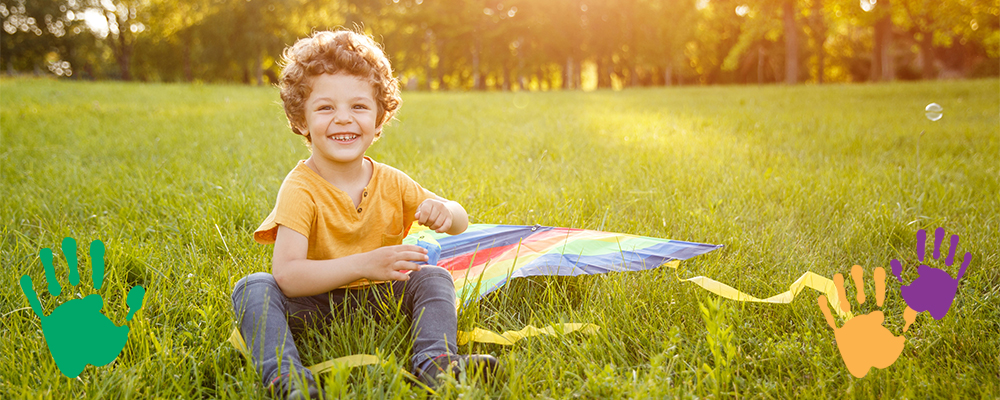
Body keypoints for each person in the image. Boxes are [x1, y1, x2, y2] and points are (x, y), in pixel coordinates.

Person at [231, 29, 499, 399]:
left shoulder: (392, 181)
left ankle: (436, 363)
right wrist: (364, 264)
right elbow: (289, 276)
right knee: (253, 288)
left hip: (382, 299)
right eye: (326, 108)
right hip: (315, 304)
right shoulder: (300, 189)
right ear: (301, 120)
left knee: (433, 277)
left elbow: (460, 222)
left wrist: (446, 211)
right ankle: (286, 378)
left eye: (358, 107)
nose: (343, 119)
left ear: (378, 121)